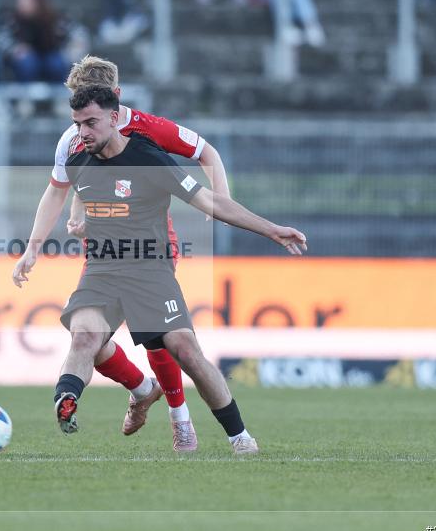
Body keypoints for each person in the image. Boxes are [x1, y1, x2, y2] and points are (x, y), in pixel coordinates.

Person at [50, 85, 306, 453]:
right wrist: (81, 220)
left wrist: (271, 229)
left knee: (184, 348)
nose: (82, 132)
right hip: (102, 270)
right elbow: (80, 192)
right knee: (85, 337)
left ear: (113, 117)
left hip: (149, 269)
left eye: (90, 123)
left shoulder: (150, 160)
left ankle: (239, 436)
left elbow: (210, 201)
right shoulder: (78, 161)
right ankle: (66, 399)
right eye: (77, 125)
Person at [12, 56, 232, 452]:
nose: (81, 120)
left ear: (114, 99)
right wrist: (37, 245)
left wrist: (224, 207)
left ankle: (180, 418)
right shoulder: (75, 137)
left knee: (157, 338)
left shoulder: (147, 128)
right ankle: (143, 389)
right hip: (102, 250)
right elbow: (61, 188)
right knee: (88, 339)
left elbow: (207, 153)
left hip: (152, 246)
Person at [3, 0, 70, 84]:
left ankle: (59, 95)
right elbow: (2, 39)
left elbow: (76, 34)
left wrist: (69, 51)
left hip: (51, 55)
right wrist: (15, 49)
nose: (21, 4)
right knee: (27, 62)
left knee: (57, 63)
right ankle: (24, 96)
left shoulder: (53, 19)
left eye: (25, 0)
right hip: (26, 58)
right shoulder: (13, 20)